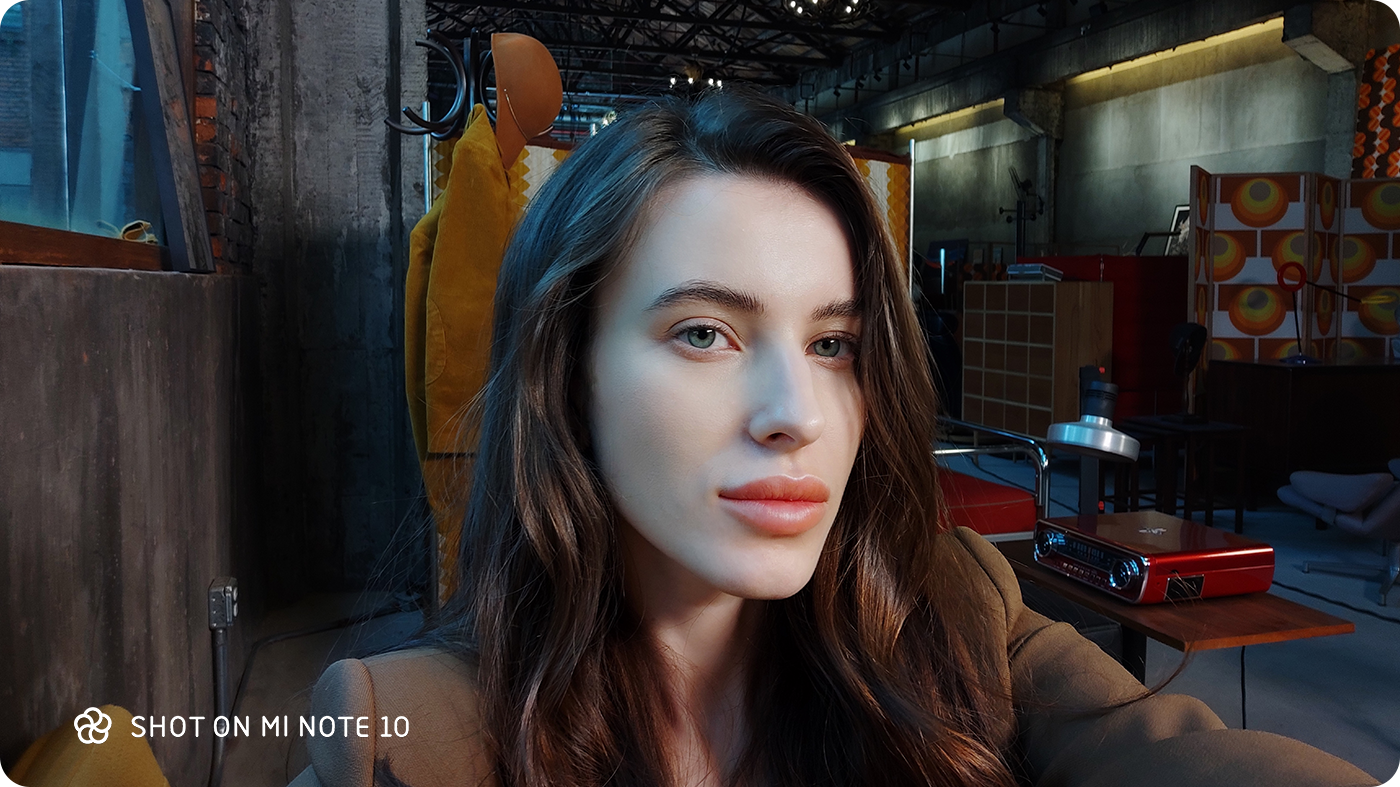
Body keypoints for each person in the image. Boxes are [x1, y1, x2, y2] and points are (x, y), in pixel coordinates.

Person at [288, 88, 1380, 787]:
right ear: (566, 373)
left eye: (832, 344)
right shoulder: (409, 736)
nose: (797, 414)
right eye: (705, 332)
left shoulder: (951, 616)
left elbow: (1182, 757)